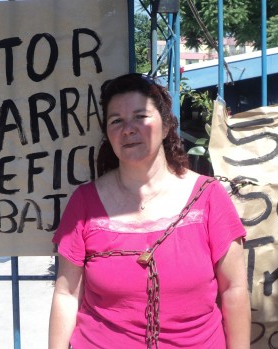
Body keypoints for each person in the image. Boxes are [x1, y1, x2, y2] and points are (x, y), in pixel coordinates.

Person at [49, 73, 250, 348]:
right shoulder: (84, 203)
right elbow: (66, 295)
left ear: (166, 125)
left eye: (140, 116)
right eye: (116, 121)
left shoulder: (209, 197)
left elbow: (234, 290)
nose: (128, 129)